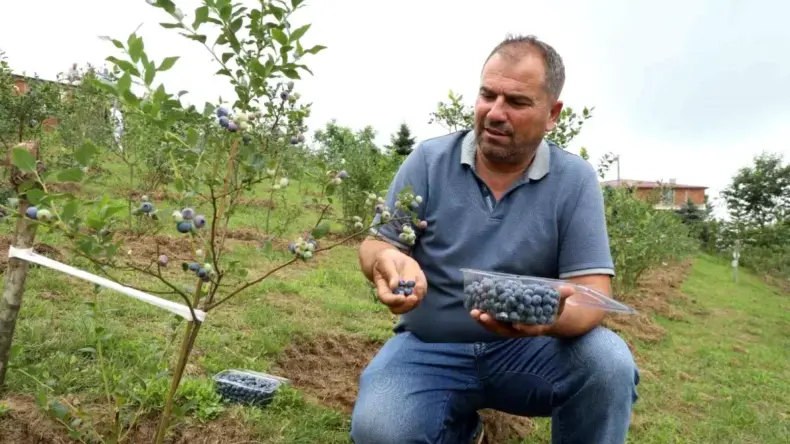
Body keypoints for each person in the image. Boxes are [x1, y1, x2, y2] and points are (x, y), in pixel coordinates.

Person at [349, 34, 640, 444]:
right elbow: (378, 243)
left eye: (517, 102)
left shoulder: (574, 181)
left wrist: (546, 318)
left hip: (528, 353)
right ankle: (461, 429)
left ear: (553, 113)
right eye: (488, 95)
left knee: (608, 363)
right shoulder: (429, 162)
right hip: (429, 346)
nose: (495, 113)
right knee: (382, 429)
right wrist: (386, 261)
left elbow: (592, 293)